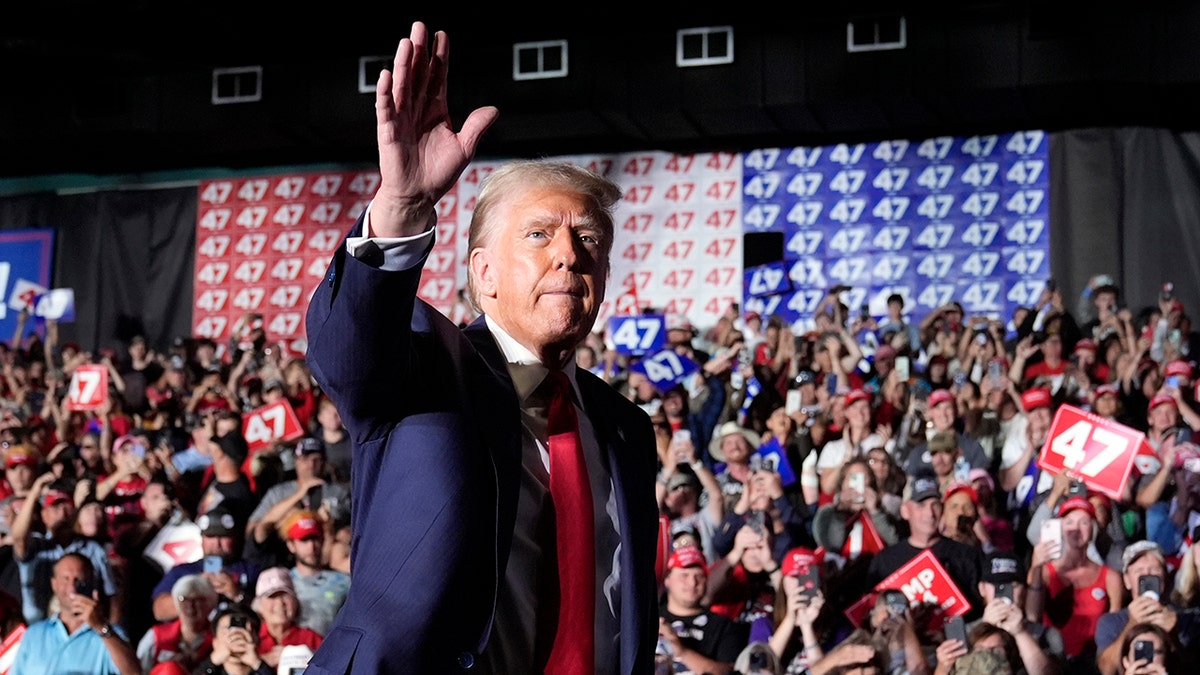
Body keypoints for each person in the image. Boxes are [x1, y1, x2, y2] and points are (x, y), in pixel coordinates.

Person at [302, 21, 657, 674]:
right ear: (483, 273)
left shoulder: (627, 428)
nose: (570, 255)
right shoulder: (424, 362)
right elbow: (344, 351)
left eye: (588, 240)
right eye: (539, 234)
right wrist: (401, 207)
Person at [1024, 495, 1122, 668]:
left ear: (1092, 529)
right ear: (1061, 528)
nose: (1076, 528)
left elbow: (1115, 627)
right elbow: (1032, 616)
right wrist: (1036, 566)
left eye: (1084, 522)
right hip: (1055, 662)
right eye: (1069, 522)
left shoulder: (1110, 577)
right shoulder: (1045, 572)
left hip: (1094, 664)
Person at [9, 553, 140, 675]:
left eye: (79, 580)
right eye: (66, 579)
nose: (72, 587)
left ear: (91, 584)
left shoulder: (110, 635)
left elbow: (134, 673)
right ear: (54, 584)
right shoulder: (34, 634)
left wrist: (101, 627)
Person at [1095, 540, 1200, 675]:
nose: (1147, 574)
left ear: (1164, 577)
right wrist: (1132, 624)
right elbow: (1107, 669)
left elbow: (1192, 666)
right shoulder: (1112, 622)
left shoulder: (1184, 618)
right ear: (1127, 581)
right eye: (1139, 570)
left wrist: (1173, 635)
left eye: (1154, 569)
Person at [657, 546, 746, 675]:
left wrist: (681, 651)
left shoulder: (723, 627)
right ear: (667, 580)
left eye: (699, 576)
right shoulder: (649, 619)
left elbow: (729, 671)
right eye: (684, 575)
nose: (692, 583)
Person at [279, 509, 349, 636]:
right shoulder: (279, 584)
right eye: (304, 540)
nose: (311, 547)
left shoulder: (343, 582)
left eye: (315, 538)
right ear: (291, 545)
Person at [135, 574, 217, 673]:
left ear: (210, 603)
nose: (190, 606)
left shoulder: (218, 637)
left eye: (197, 600)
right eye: (183, 599)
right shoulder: (156, 636)